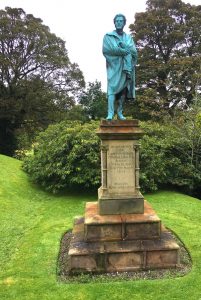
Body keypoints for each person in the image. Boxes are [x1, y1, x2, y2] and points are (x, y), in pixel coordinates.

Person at [102, 14, 137, 120]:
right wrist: (122, 51)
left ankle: (120, 112)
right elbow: (107, 50)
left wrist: (125, 47)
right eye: (117, 21)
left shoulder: (128, 38)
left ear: (124, 23)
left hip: (126, 68)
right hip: (114, 66)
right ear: (114, 22)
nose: (119, 22)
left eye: (121, 21)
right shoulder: (108, 36)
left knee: (124, 90)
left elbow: (134, 52)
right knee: (112, 89)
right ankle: (110, 113)